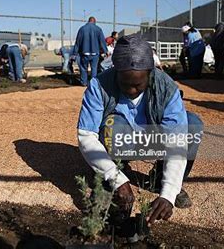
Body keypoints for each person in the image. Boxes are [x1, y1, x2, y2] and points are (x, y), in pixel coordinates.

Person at [77, 35, 203, 240]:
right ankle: (117, 171)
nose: (131, 90)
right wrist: (116, 178)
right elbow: (86, 136)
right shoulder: (99, 85)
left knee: (193, 124)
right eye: (125, 84)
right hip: (121, 139)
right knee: (112, 126)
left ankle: (162, 180)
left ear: (151, 73)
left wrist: (169, 193)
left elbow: (177, 139)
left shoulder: (166, 87)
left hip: (155, 137)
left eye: (138, 85)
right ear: (115, 71)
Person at [73, 17, 107, 86]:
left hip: (84, 53)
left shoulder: (82, 29)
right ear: (94, 22)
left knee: (83, 68)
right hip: (95, 53)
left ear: (88, 21)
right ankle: (93, 83)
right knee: (94, 68)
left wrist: (74, 53)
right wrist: (105, 51)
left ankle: (84, 82)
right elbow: (102, 41)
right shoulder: (98, 29)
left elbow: (78, 42)